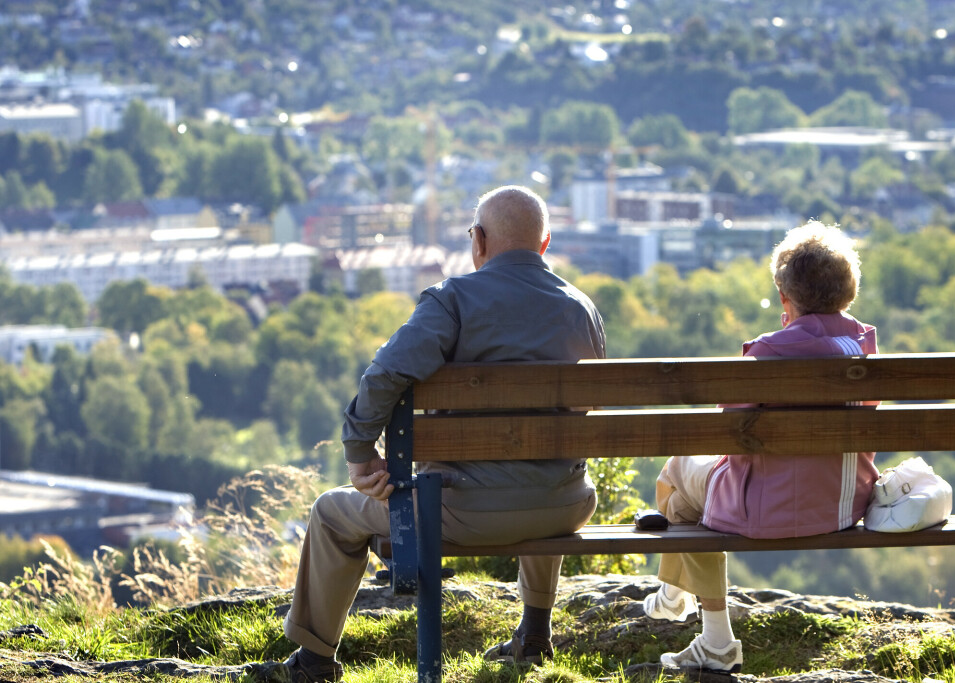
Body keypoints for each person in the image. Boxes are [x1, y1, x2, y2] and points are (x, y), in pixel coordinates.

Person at [280, 185, 606, 682]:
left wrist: (360, 451)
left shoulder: (453, 301)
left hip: (461, 513)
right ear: (544, 245)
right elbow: (590, 404)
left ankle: (313, 661)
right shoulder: (581, 307)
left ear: (478, 241)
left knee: (330, 511)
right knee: (543, 470)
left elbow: (386, 375)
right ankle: (536, 632)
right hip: (564, 508)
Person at [642, 221, 878, 673]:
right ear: (848, 292)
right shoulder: (863, 350)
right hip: (846, 506)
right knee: (696, 479)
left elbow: (726, 429)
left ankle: (706, 630)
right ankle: (672, 595)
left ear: (784, 295)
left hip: (761, 511)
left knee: (677, 472)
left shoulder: (769, 354)